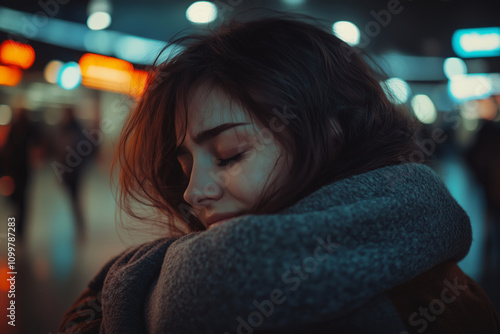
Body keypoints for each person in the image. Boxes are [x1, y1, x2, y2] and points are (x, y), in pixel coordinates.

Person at [59, 13, 500, 333]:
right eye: (185, 165)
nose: (193, 192)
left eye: (229, 154)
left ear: (333, 134)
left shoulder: (420, 311)